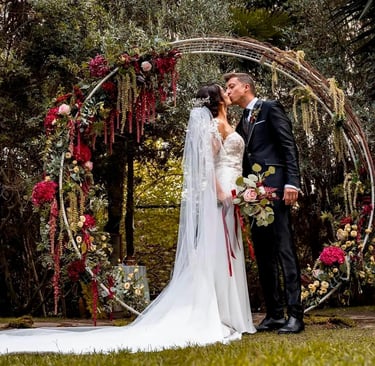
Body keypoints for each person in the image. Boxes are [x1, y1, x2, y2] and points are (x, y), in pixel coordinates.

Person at [0, 84, 256, 354]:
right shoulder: (213, 127)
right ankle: (214, 313)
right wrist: (220, 194)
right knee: (217, 254)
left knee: (228, 255)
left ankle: (229, 313)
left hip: (234, 194)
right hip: (222, 197)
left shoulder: (228, 122)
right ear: (218, 100)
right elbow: (207, 165)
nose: (229, 93)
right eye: (224, 91)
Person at [224, 72, 304, 334]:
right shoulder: (242, 121)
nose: (228, 90)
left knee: (284, 249)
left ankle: (295, 315)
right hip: (253, 194)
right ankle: (275, 314)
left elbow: (288, 145)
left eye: (231, 86)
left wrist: (292, 182)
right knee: (264, 252)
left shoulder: (269, 108)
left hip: (277, 187)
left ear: (246, 87)